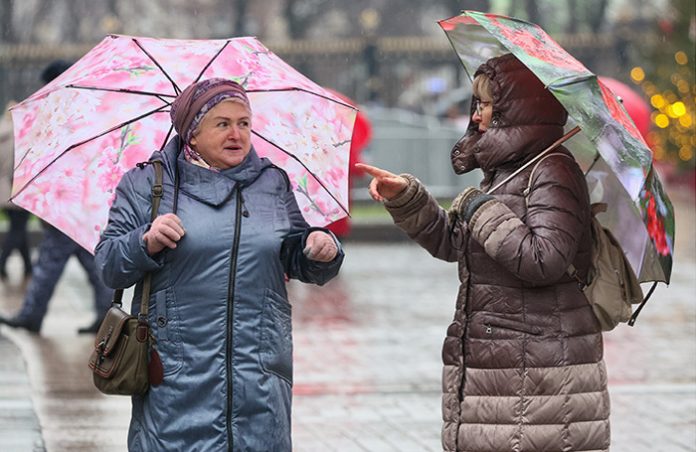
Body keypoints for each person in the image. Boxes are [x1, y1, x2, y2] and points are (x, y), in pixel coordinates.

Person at [357, 53, 609, 451]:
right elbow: (455, 244)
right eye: (476, 104)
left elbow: (544, 259)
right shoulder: (506, 173)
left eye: (486, 104)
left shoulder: (553, 171)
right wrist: (408, 199)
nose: (475, 116)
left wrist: (481, 207)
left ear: (516, 109)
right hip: (500, 374)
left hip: (540, 380)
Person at [94, 78, 344, 450]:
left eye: (244, 123)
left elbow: (293, 252)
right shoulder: (147, 184)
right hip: (176, 377)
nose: (237, 134)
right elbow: (109, 265)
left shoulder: (271, 182)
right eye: (222, 123)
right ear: (192, 133)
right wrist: (145, 241)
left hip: (259, 375)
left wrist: (319, 248)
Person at [0, 60, 114, 335]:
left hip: (67, 202)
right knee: (90, 262)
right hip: (79, 202)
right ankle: (107, 315)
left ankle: (32, 314)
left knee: (50, 262)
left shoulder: (67, 113)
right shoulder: (85, 109)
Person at [0, 99, 33, 282]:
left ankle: (28, 266)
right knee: (17, 230)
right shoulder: (19, 135)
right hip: (18, 190)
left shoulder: (1, 133)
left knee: (19, 229)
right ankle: (2, 263)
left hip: (3, 190)